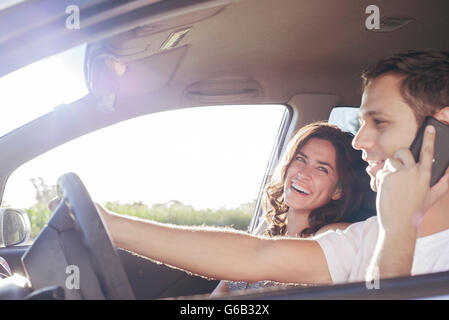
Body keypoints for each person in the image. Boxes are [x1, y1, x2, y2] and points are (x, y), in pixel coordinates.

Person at [66, 49, 449, 289]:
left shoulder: (388, 234)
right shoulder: (367, 237)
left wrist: (400, 229)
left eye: (379, 123)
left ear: (441, 128)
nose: (359, 141)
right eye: (361, 123)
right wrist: (112, 225)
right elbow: (257, 255)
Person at [210, 122, 373, 296]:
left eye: (321, 169)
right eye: (300, 159)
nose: (303, 173)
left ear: (337, 190)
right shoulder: (267, 227)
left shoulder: (335, 236)